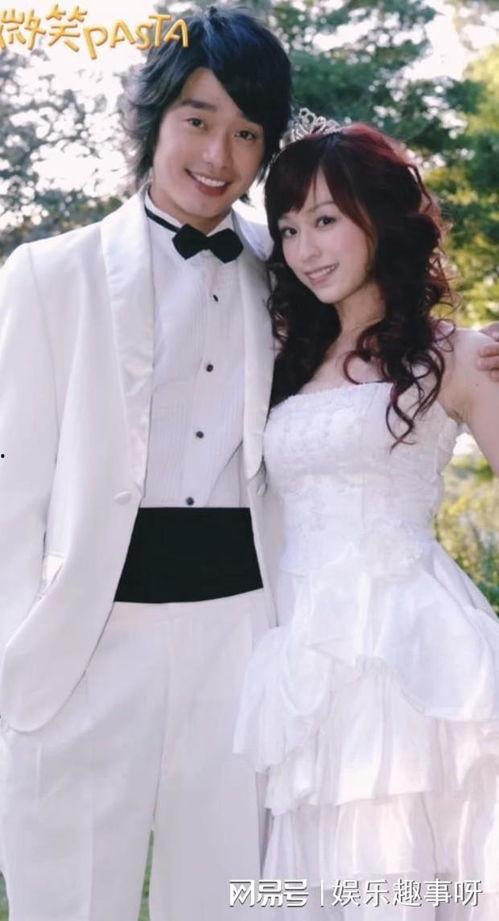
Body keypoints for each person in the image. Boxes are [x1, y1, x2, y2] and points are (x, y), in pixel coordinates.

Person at [0, 7, 291, 921]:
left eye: (246, 133)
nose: (218, 155)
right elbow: (10, 488)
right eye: (198, 120)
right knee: (70, 898)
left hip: (241, 639)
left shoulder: (289, 274)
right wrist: (17, 643)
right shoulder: (50, 274)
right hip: (86, 639)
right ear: (154, 118)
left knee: (232, 896)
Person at [234, 118, 499, 920]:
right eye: (287, 229)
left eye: (324, 219)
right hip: (303, 653)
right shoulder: (283, 351)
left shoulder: (456, 354)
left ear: (378, 218)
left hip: (408, 651)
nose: (304, 249)